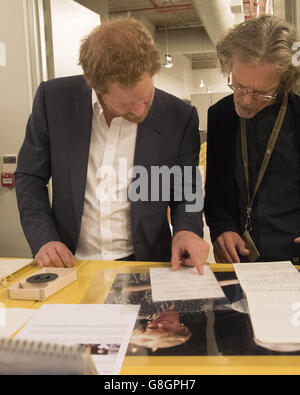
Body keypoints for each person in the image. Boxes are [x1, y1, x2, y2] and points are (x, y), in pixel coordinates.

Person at [15, 17, 208, 273]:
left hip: (147, 264)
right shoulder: (54, 101)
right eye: (128, 104)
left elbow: (186, 189)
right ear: (98, 87)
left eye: (145, 97)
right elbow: (29, 176)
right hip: (71, 263)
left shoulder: (179, 116)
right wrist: (44, 238)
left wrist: (186, 229)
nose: (141, 110)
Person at [204, 15, 300, 264]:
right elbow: (215, 191)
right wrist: (222, 228)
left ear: (284, 83)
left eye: (261, 93)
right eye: (239, 86)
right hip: (241, 260)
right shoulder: (220, 115)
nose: (246, 100)